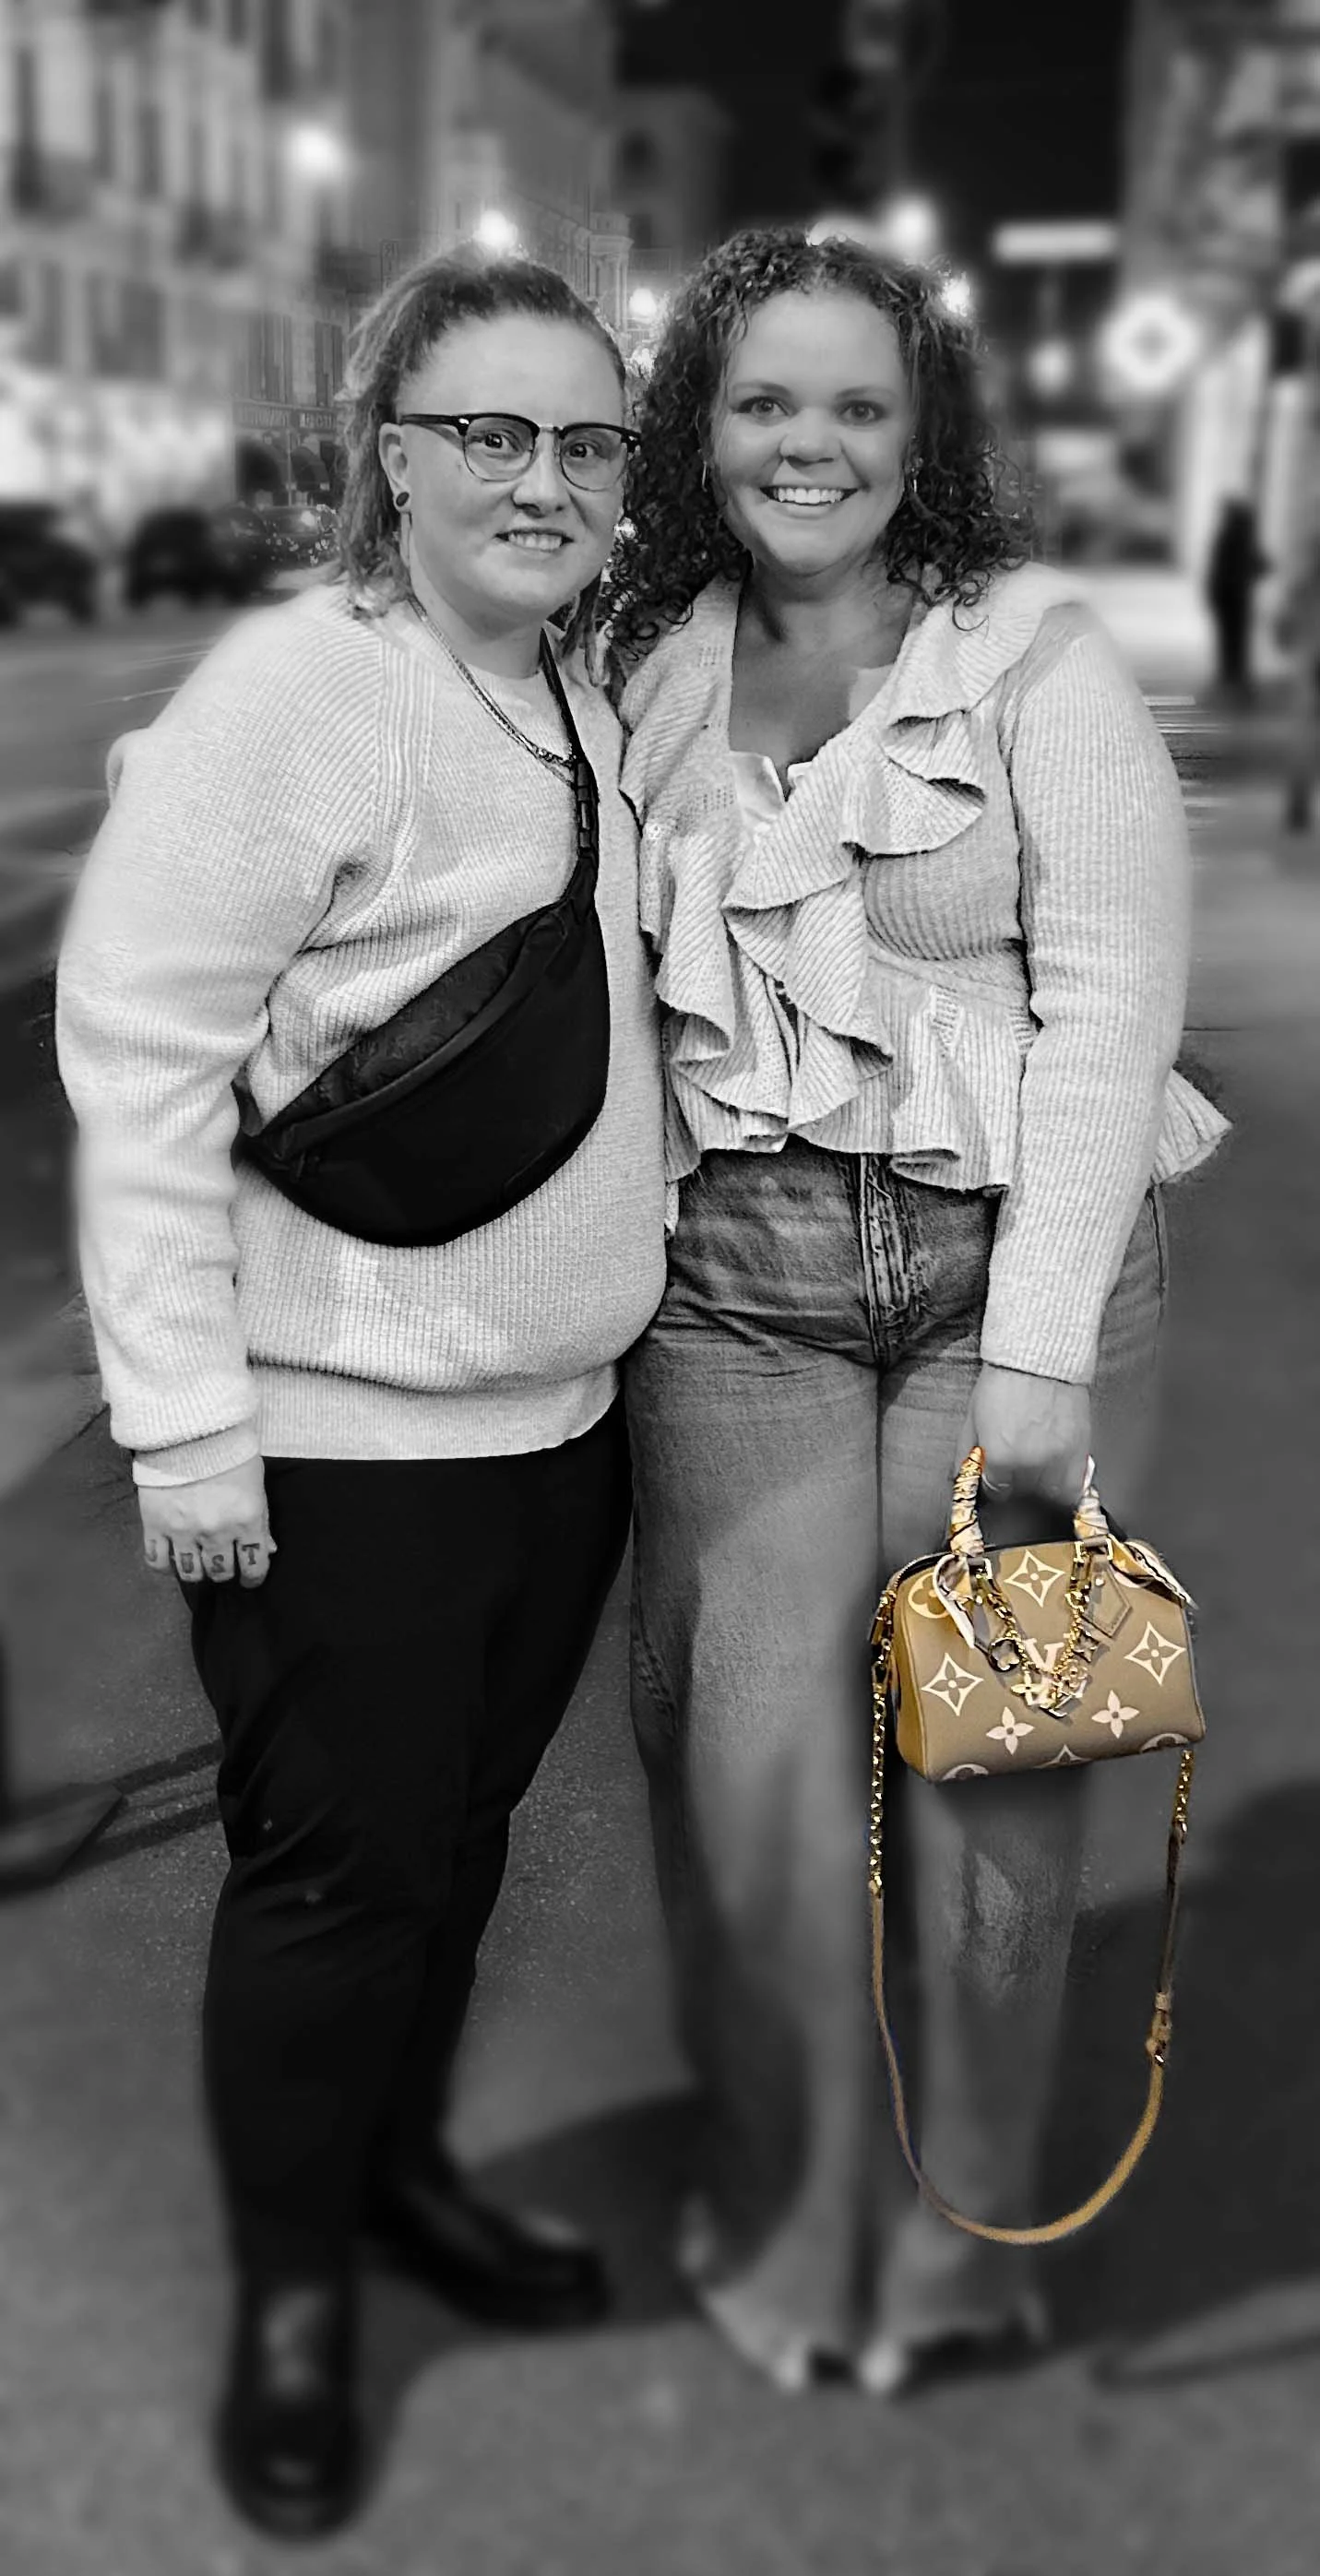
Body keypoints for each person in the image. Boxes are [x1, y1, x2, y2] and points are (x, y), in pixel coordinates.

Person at [56, 252, 666, 2537]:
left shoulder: (570, 689)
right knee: (335, 1887)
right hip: (341, 1444)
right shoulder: (301, 694)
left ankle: (397, 2186)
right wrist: (189, 1432)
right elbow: (133, 1068)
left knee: (451, 1856)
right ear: (385, 451)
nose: (543, 478)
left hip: (551, 1439)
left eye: (585, 441)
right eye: (491, 433)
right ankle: (293, 2309)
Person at [604, 228, 1228, 2396]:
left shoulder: (1031, 664)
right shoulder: (642, 665)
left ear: (919, 436)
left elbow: (1106, 1010)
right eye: (764, 399)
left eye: (857, 405)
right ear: (699, 425)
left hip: (1006, 1293)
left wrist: (1041, 1353)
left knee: (988, 1810)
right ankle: (794, 2228)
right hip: (734, 1307)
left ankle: (956, 2246)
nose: (809, 442)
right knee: (753, 1806)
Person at [1277, 530, 1320, 834]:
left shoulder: (1307, 583)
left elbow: (1286, 623)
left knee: (1306, 730)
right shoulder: (1306, 584)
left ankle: (1298, 803)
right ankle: (1298, 801)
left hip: (1313, 657)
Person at [1205, 494, 1267, 702]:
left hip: (1228, 596)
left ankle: (1231, 677)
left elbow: (1218, 570)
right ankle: (1234, 678)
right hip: (1236, 597)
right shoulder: (1240, 538)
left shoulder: (1228, 536)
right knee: (1236, 640)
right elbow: (1260, 565)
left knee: (1230, 639)